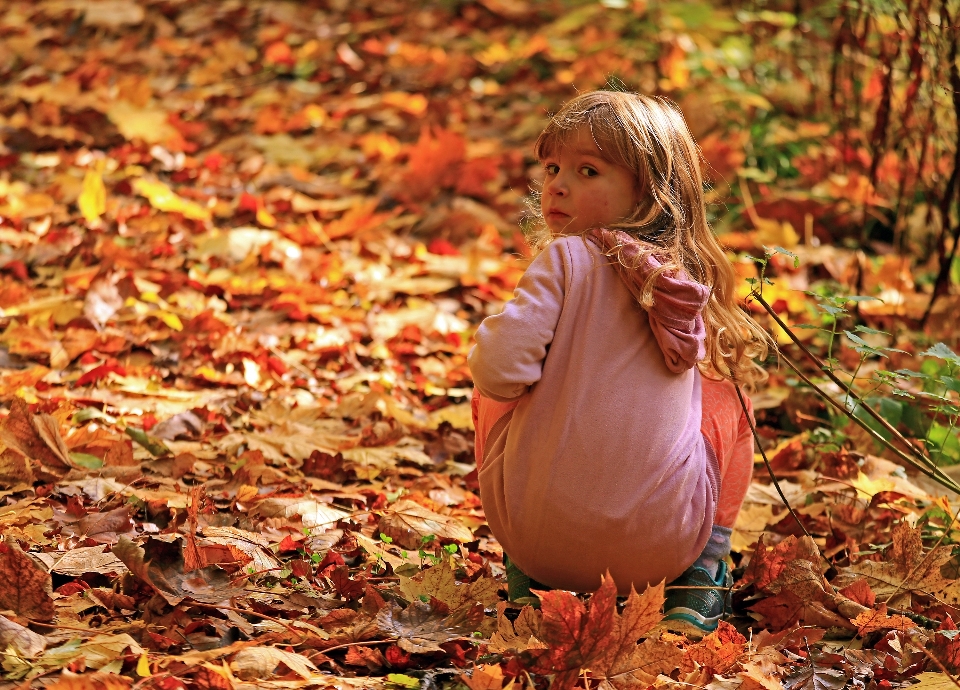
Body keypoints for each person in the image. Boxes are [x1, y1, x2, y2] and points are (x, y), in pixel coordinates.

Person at [468, 90, 770, 637]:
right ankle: (703, 569)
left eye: (588, 171)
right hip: (662, 551)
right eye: (553, 168)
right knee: (728, 396)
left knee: (489, 390)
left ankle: (525, 578)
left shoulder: (564, 259)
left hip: (540, 544)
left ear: (651, 193)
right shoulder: (686, 278)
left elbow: (499, 369)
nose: (558, 185)